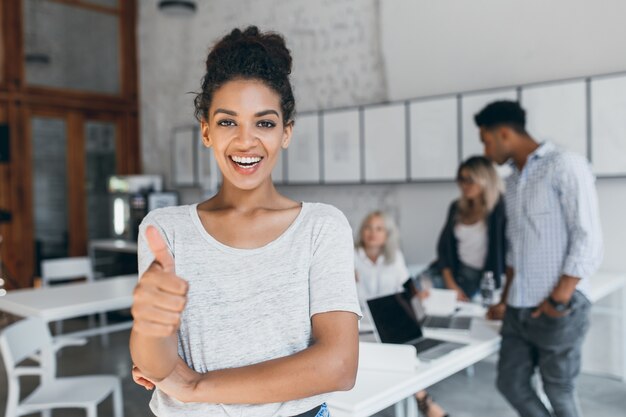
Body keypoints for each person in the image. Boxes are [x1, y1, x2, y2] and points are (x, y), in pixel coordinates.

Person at [129, 26, 362, 417]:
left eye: (265, 123)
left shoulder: (321, 227)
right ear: (206, 130)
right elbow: (156, 369)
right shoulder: (165, 231)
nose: (245, 141)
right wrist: (149, 325)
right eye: (227, 122)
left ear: (286, 132)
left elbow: (338, 366)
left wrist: (195, 386)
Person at [476, 100, 603, 417]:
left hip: (558, 306)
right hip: (519, 307)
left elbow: (587, 237)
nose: (486, 150)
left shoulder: (565, 165)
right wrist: (506, 299)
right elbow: (515, 248)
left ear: (504, 133)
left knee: (558, 390)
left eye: (486, 140)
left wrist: (558, 300)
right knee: (510, 383)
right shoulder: (514, 180)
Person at [354, 211, 449, 417]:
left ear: (387, 234)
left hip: (390, 324)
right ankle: (424, 401)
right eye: (368, 227)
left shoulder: (394, 257)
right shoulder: (348, 256)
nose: (372, 233)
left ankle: (422, 400)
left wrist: (419, 294)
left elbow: (407, 287)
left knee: (407, 357)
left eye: (379, 228)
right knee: (397, 357)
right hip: (362, 328)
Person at [431, 156, 506, 301]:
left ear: (485, 179)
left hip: (482, 278)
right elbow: (443, 250)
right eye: (461, 179)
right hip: (454, 272)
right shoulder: (456, 208)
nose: (464, 185)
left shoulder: (499, 210)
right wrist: (451, 285)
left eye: (470, 180)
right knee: (413, 292)